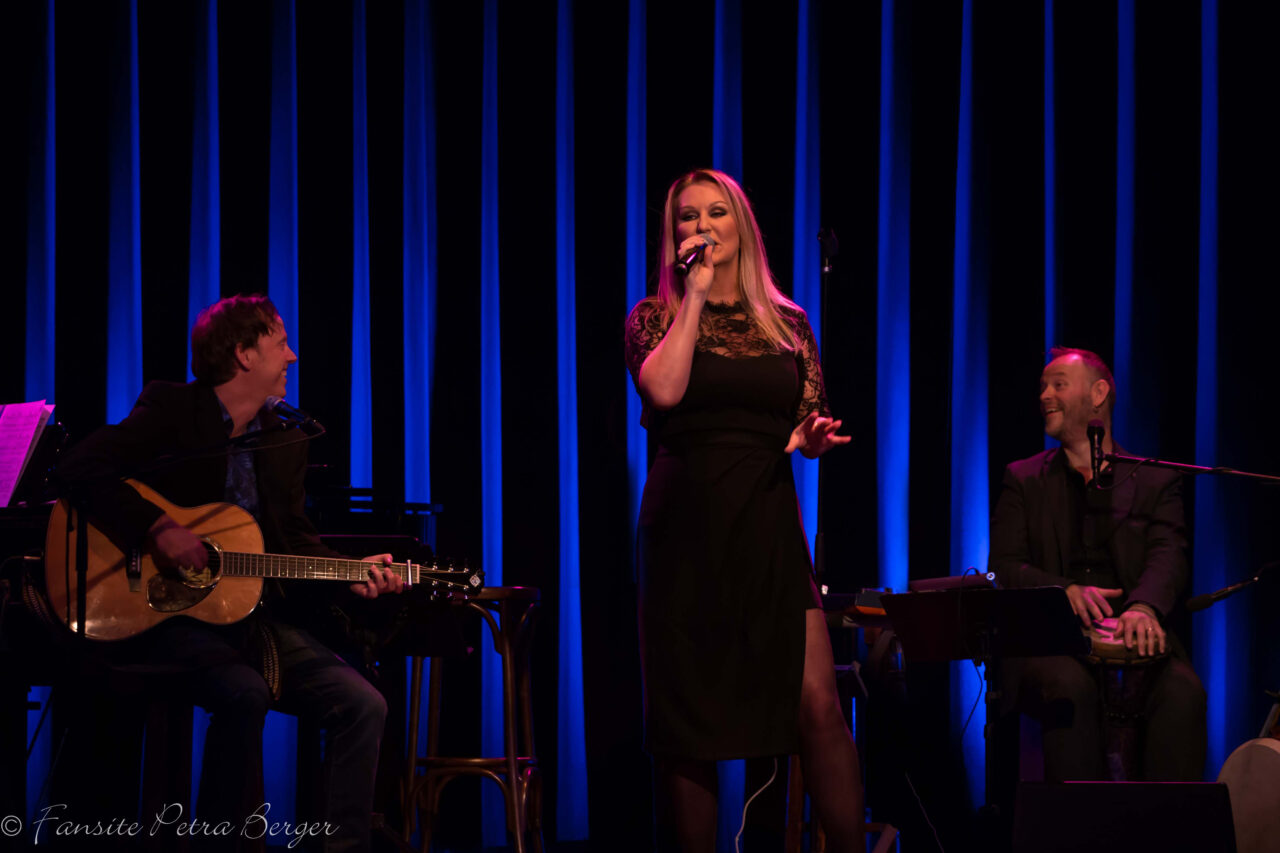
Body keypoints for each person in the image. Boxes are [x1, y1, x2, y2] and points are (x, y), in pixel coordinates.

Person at [55, 294, 402, 852]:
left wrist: (348, 573)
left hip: (250, 619)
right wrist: (158, 527)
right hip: (164, 614)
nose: (293, 356)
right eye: (280, 343)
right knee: (244, 693)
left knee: (363, 704)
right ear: (243, 354)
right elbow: (78, 467)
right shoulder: (173, 409)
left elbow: (293, 542)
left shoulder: (285, 438)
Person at [624, 169, 863, 852]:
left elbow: (803, 418)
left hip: (767, 521)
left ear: (742, 225)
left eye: (716, 213)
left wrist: (809, 439)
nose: (701, 227)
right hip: (685, 527)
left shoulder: (788, 322)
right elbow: (663, 393)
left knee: (819, 703)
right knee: (689, 726)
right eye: (687, 217)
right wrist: (695, 296)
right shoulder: (653, 317)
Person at [989, 346, 1207, 781]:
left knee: (1184, 693)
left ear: (1099, 394)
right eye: (1042, 387)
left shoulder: (1154, 479)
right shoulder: (1023, 479)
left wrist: (1143, 607)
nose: (1044, 395)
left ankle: (1169, 819)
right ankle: (1079, 820)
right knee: (1069, 687)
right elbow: (1005, 565)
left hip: (1133, 639)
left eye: (1058, 385)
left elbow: (1168, 553)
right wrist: (1063, 592)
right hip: (1054, 644)